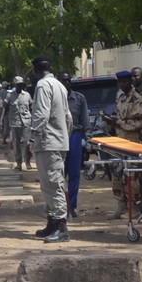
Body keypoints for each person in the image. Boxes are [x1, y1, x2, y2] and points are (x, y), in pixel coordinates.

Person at [28, 57, 72, 242]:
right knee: (49, 184)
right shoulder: (60, 86)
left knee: (52, 184)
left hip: (48, 142)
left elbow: (41, 114)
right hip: (58, 141)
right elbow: (68, 116)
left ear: (36, 71)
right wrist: (64, 136)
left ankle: (61, 226)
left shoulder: (43, 85)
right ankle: (52, 222)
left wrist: (32, 136)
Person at [102, 68, 142, 219]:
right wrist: (112, 119)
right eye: (120, 82)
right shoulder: (119, 96)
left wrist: (119, 123)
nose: (122, 84)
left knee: (132, 177)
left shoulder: (137, 99)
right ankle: (121, 206)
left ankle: (135, 207)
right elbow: (121, 114)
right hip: (120, 141)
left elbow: (140, 122)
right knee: (117, 174)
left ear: (130, 81)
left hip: (134, 142)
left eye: (125, 81)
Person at [58, 71, 88, 215]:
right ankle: (60, 205)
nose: (67, 83)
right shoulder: (55, 98)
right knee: (59, 173)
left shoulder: (79, 98)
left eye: (68, 80)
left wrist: (86, 140)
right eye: (63, 80)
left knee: (74, 173)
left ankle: (72, 205)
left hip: (74, 136)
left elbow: (85, 120)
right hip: (58, 137)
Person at [6, 76, 31, 170]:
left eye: (21, 85)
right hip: (15, 122)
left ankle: (28, 161)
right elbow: (5, 107)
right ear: (15, 85)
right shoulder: (10, 96)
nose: (20, 86)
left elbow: (32, 106)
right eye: (18, 85)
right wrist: (2, 121)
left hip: (26, 122)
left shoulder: (27, 95)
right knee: (16, 143)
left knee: (27, 142)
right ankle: (19, 163)